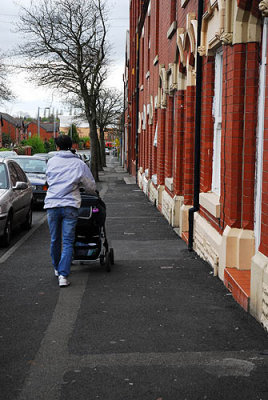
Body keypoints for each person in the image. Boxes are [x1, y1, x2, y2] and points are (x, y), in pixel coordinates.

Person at [44, 135, 96, 287]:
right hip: (70, 206)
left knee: (55, 239)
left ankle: (56, 267)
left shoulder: (51, 162)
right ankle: (63, 275)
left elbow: (48, 179)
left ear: (57, 147)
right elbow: (90, 186)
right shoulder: (79, 163)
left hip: (52, 205)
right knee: (67, 241)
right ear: (71, 146)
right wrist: (91, 192)